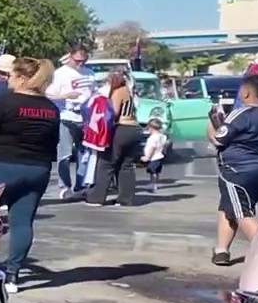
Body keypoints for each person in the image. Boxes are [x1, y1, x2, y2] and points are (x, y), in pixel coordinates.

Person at [0, 57, 61, 292]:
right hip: (37, 169)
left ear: (22, 78)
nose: (7, 80)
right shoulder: (51, 108)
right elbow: (53, 143)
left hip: (0, 165)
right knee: (22, 223)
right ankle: (12, 276)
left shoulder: (6, 102)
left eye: (11, 76)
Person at [209, 73, 258, 267]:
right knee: (228, 207)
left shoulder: (240, 113)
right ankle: (221, 251)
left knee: (242, 213)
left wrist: (211, 124)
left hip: (236, 171)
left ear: (246, 93)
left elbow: (218, 139)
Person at [46, 45, 98, 198]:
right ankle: (64, 186)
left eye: (83, 61)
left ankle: (81, 185)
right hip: (67, 117)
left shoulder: (89, 73)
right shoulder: (60, 74)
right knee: (65, 153)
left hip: (86, 118)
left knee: (84, 153)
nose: (80, 64)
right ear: (70, 57)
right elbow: (49, 95)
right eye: (77, 61)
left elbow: (94, 91)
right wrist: (66, 96)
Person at [84, 71, 142, 207]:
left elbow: (112, 113)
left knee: (106, 162)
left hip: (121, 128)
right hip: (134, 129)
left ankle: (97, 197)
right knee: (126, 165)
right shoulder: (130, 92)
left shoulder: (118, 92)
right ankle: (125, 199)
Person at [142, 119, 170, 194]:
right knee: (156, 171)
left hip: (153, 157)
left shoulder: (152, 138)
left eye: (148, 128)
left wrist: (147, 157)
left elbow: (152, 148)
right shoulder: (162, 136)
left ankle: (152, 185)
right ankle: (154, 184)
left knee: (152, 172)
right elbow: (166, 144)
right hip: (160, 156)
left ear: (151, 128)